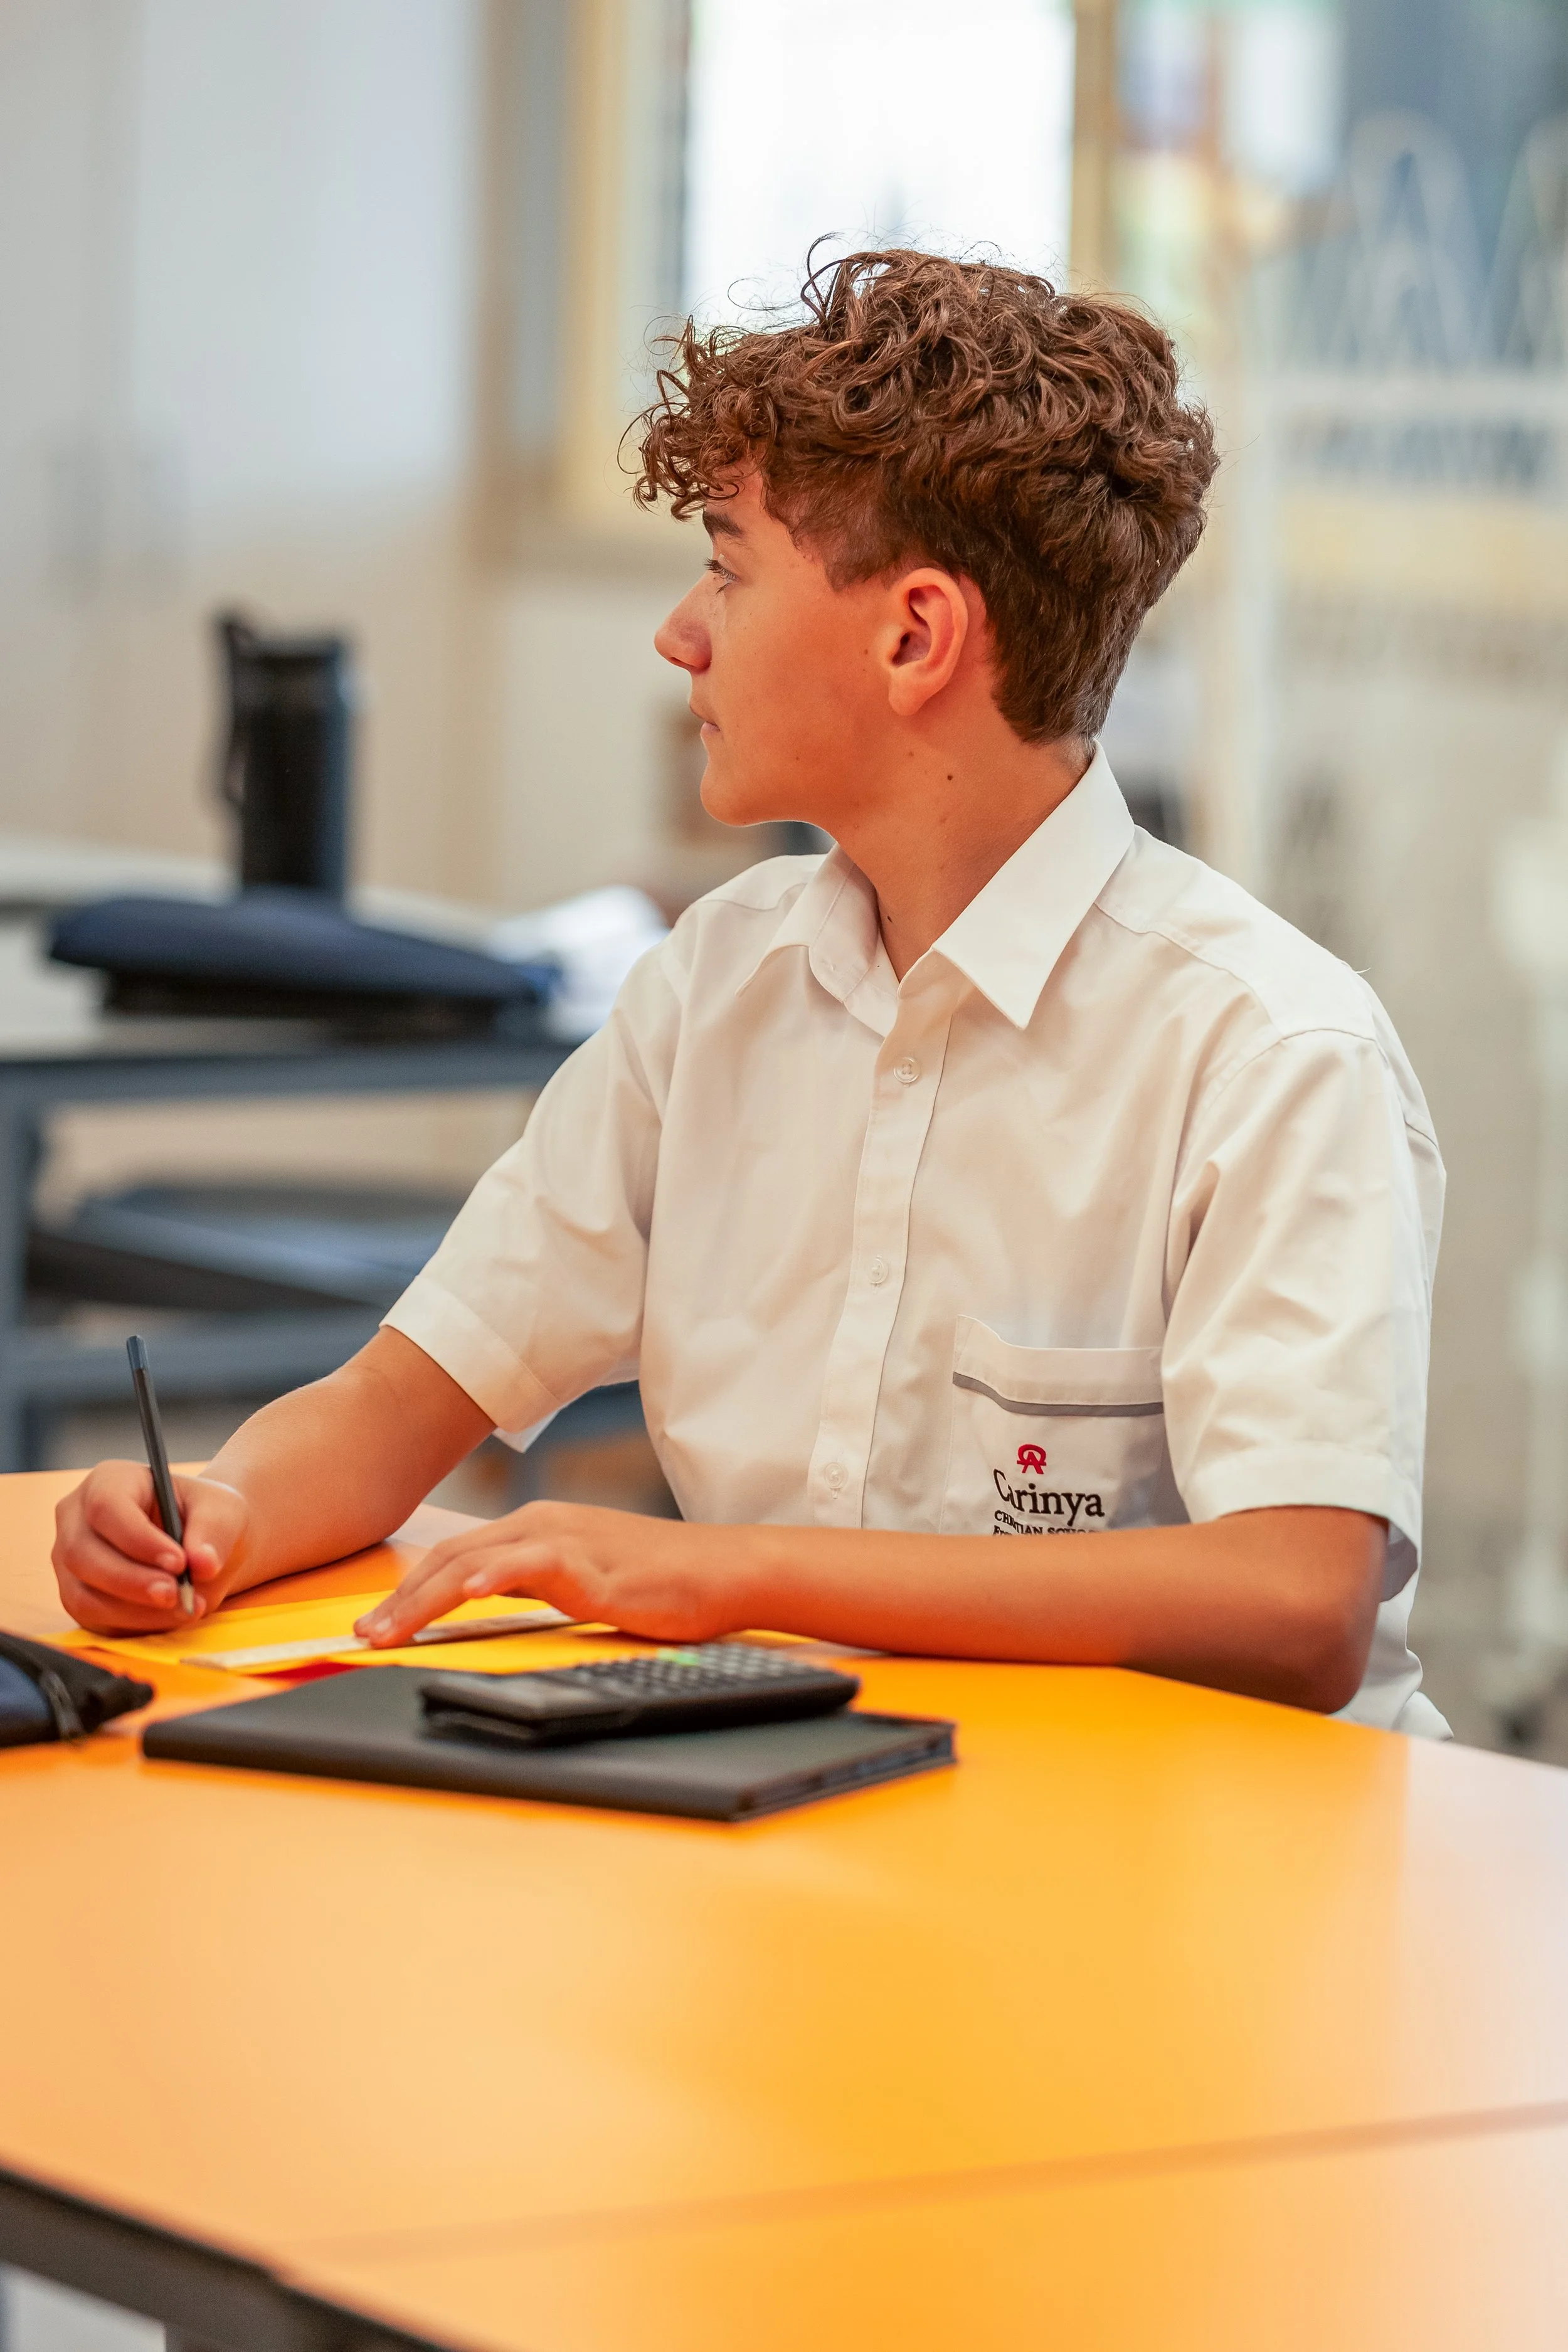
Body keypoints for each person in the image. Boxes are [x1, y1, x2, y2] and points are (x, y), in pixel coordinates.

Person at [52, 250, 1448, 1732]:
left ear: (913, 636)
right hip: (815, 1807)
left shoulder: (1268, 1048)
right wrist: (215, 1514)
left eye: (726, 566)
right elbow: (404, 1401)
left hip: (1203, 1871)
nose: (682, 631)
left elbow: (1293, 1607)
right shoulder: (716, 984)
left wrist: (731, 1576)